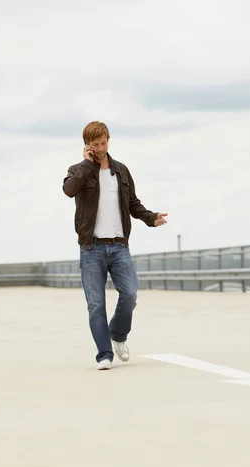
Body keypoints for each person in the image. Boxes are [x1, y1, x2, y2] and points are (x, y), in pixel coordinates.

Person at [62, 121, 168, 370]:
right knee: (96, 304)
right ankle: (104, 354)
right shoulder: (78, 170)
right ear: (87, 145)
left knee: (130, 294)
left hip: (119, 246)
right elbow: (69, 190)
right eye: (95, 144)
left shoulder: (121, 171)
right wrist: (88, 164)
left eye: (104, 142)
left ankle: (118, 335)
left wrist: (150, 217)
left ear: (109, 140)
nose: (101, 148)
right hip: (91, 248)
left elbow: (132, 203)